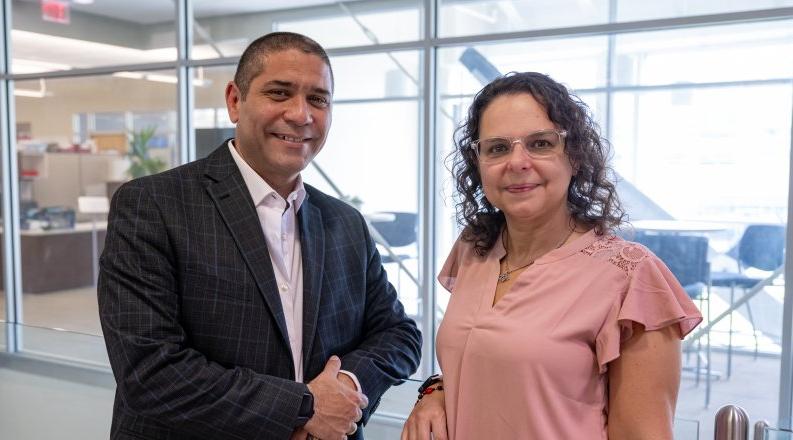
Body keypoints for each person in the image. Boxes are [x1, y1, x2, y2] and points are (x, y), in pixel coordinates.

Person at [98, 32, 421, 440]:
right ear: (235, 100)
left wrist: (348, 388)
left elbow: (399, 333)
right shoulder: (153, 205)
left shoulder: (345, 223)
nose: (301, 114)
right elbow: (149, 370)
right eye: (279, 93)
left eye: (318, 99)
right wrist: (304, 407)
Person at [402, 72, 702, 439]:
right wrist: (436, 391)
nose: (517, 162)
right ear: (478, 165)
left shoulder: (631, 277)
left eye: (540, 143)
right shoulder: (473, 249)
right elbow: (487, 363)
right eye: (497, 148)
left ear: (574, 155)